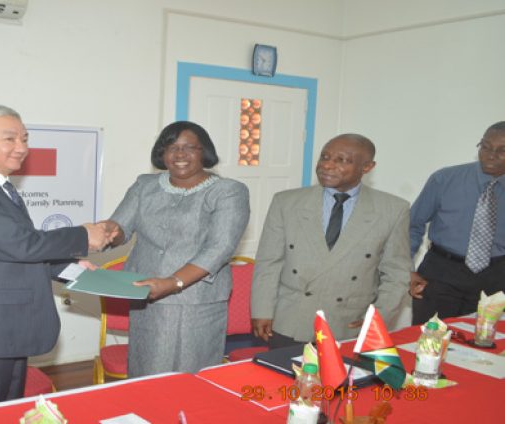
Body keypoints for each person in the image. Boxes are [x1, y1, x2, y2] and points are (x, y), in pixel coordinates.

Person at [0, 104, 110, 408]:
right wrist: (83, 235)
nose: (21, 148)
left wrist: (70, 269)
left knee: (7, 412)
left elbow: (9, 253)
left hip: (6, 329)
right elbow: (19, 244)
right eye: (10, 139)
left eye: (25, 139)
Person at [99, 121, 249, 377]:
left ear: (205, 152)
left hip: (197, 301)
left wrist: (173, 282)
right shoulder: (144, 185)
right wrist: (105, 231)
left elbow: (220, 247)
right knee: (147, 369)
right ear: (161, 153)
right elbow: (121, 226)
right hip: (147, 294)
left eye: (189, 147)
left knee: (188, 376)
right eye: (171, 147)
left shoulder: (228, 191)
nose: (180, 154)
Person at [251, 134, 411, 348]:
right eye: (324, 157)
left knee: (341, 382)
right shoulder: (287, 202)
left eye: (342, 160)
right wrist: (262, 310)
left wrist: (377, 320)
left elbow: (396, 273)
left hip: (348, 323)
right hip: (290, 318)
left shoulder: (392, 209)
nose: (327, 165)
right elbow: (268, 262)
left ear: (367, 167)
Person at [410, 122, 505, 324]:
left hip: (497, 278)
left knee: (484, 347)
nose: (490, 155)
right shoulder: (445, 179)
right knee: (429, 342)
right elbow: (412, 224)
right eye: (485, 146)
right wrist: (406, 269)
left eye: (502, 150)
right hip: (442, 272)